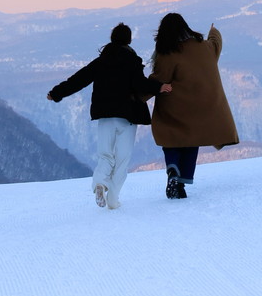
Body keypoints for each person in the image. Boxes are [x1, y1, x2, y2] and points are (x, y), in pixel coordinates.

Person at [47, 23, 171, 209]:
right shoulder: (132, 61)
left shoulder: (101, 61)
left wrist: (56, 93)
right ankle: (113, 200)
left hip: (105, 116)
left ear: (112, 38)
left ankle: (100, 183)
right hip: (127, 117)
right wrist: (159, 87)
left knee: (105, 156)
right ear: (129, 40)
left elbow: (78, 80)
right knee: (122, 159)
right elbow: (140, 83)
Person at [149, 13, 238, 199]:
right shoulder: (204, 47)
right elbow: (216, 44)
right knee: (191, 142)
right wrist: (213, 31)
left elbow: (158, 80)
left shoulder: (168, 53)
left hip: (175, 106)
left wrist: (136, 95)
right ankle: (181, 185)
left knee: (171, 138)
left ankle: (172, 168)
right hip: (200, 107)